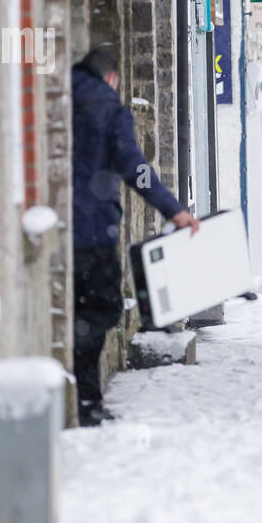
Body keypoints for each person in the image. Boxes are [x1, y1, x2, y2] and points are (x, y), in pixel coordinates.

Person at [72, 49, 199, 427]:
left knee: (83, 312)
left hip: (58, 224)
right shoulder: (109, 108)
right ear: (111, 77)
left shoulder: (58, 94)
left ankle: (85, 398)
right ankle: (87, 402)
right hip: (92, 230)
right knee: (105, 309)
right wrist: (173, 209)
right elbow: (135, 168)